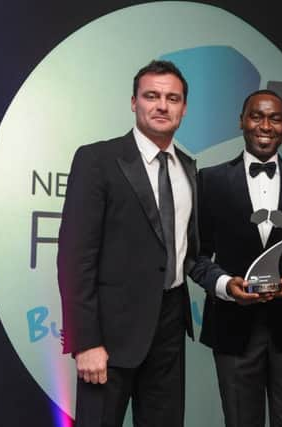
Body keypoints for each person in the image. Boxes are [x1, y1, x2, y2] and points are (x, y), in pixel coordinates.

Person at [57, 60, 197, 427]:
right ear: (133, 102)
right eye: (152, 96)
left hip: (169, 330)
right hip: (109, 337)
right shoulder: (97, 160)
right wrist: (85, 342)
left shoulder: (188, 167)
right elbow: (75, 258)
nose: (162, 105)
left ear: (184, 108)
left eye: (172, 98)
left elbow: (187, 250)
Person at [189, 89, 282, 427]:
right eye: (257, 116)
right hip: (231, 328)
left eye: (275, 118)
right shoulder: (210, 180)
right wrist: (225, 285)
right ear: (242, 121)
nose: (265, 125)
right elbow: (195, 256)